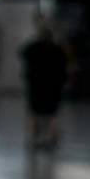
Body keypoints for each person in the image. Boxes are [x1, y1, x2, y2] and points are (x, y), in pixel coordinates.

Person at [21, 18, 68, 149]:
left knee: (34, 113)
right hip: (53, 87)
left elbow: (22, 53)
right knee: (52, 114)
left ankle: (33, 138)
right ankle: (50, 138)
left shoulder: (33, 48)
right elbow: (64, 68)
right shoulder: (58, 50)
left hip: (35, 86)